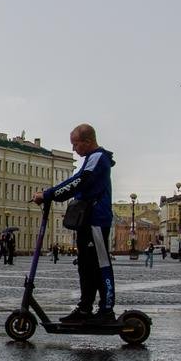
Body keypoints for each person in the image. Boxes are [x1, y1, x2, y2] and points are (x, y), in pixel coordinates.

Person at [33, 123, 116, 324]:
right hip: (87, 220)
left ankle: (106, 310)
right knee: (86, 266)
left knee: (100, 265)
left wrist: (48, 194)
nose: (73, 149)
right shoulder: (91, 158)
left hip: (96, 220)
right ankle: (85, 308)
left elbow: (78, 181)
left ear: (88, 141)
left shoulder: (97, 158)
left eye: (76, 144)